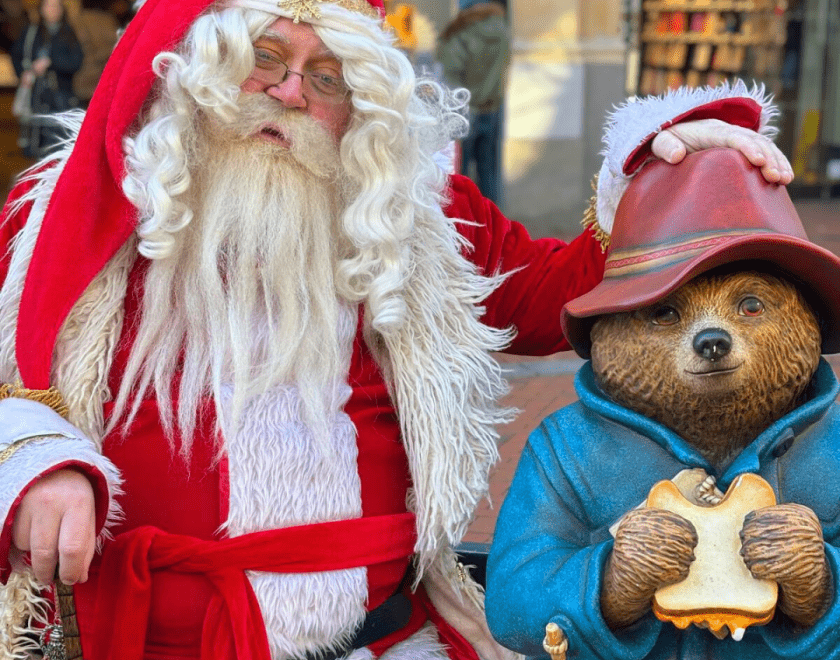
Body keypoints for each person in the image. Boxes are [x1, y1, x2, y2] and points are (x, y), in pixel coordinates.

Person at [0, 0, 792, 656]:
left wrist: (660, 171)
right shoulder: (73, 222)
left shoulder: (417, 222)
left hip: (377, 640)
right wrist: (37, 459)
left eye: (327, 76)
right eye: (264, 57)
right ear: (199, 64)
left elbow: (567, 293)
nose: (288, 93)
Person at [437, 0, 509, 204]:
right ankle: (494, 226)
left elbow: (450, 76)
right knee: (489, 173)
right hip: (492, 108)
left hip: (464, 111)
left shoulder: (462, 32)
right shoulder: (502, 30)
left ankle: (465, 227)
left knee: (460, 173)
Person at [11, 0, 83, 158]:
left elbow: (76, 62)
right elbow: (16, 56)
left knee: (59, 144)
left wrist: (51, 63)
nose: (52, 10)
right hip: (35, 97)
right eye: (49, 5)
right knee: (35, 144)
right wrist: (24, 72)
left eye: (56, 6)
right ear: (41, 9)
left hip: (60, 98)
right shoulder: (31, 32)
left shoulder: (68, 33)